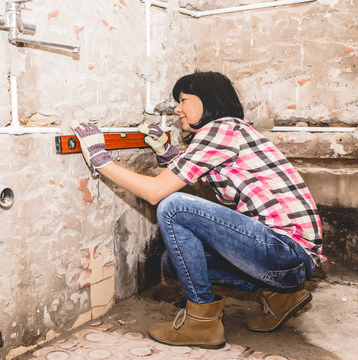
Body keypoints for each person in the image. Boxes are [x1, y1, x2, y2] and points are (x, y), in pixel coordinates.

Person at [70, 71, 324, 349]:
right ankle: (280, 296)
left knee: (172, 206)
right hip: (289, 262)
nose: (177, 108)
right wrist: (167, 153)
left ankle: (202, 323)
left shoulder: (221, 128)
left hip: (285, 251)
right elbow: (202, 172)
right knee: (173, 262)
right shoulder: (232, 132)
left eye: (184, 100)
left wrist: (101, 159)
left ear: (210, 100)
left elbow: (156, 192)